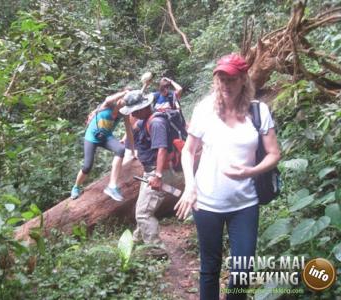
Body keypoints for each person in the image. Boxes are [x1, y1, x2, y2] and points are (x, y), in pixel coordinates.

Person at [174, 54, 281, 300]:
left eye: (231, 79)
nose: (225, 84)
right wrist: (190, 187)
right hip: (206, 202)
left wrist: (250, 171)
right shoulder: (204, 109)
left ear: (244, 79)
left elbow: (274, 154)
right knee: (210, 268)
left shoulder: (258, 111)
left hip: (245, 204)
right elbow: (188, 151)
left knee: (242, 270)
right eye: (221, 78)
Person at [119, 90, 179, 255]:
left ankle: (157, 252)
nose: (133, 114)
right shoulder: (145, 119)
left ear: (142, 108)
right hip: (150, 172)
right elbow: (133, 129)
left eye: (134, 111)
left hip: (158, 173)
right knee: (142, 208)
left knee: (143, 213)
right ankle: (137, 240)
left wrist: (158, 176)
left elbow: (162, 150)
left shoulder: (156, 123)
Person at [70, 88, 134, 201]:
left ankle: (112, 186)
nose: (124, 103)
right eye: (124, 100)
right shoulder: (108, 105)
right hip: (91, 137)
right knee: (87, 167)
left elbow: (129, 132)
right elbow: (108, 98)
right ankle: (76, 187)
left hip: (106, 137)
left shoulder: (124, 113)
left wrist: (133, 152)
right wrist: (125, 92)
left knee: (120, 149)